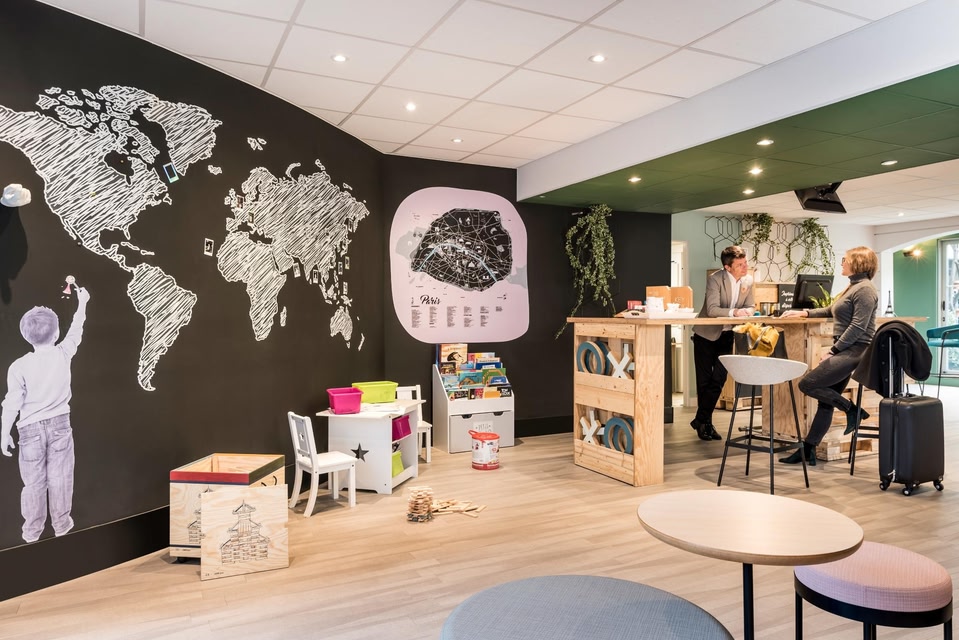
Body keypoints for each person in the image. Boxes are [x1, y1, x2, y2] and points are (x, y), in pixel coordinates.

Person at [1, 286, 90, 543]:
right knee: (61, 478)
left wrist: (4, 432)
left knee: (33, 483)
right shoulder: (63, 353)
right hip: (60, 425)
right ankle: (61, 527)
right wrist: (82, 303)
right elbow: (77, 330)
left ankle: (31, 534)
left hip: (28, 430)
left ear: (26, 336)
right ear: (57, 333)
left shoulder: (18, 366)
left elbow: (12, 403)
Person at [780, 246, 878, 466]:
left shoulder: (865, 290)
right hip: (847, 348)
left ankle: (853, 411)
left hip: (855, 350)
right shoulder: (853, 287)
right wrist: (804, 313)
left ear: (858, 263)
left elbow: (858, 327)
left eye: (845, 259)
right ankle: (809, 450)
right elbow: (829, 310)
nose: (842, 263)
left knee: (807, 384)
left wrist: (833, 350)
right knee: (826, 402)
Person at [691, 246, 754, 441]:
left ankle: (699, 420)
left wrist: (748, 312)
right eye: (740, 264)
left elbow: (750, 305)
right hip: (705, 335)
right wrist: (735, 312)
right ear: (728, 267)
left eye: (745, 262)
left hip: (727, 335)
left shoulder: (748, 281)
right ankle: (706, 425)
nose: (745, 267)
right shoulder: (715, 279)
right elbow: (712, 309)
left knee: (719, 378)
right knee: (704, 382)